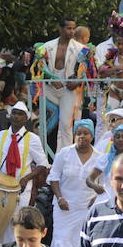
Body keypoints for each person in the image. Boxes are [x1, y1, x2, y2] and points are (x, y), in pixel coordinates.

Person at [47, 119, 101, 247]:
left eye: (86, 133)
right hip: (64, 205)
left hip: (85, 207)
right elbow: (53, 177)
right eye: (78, 133)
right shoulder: (64, 153)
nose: (81, 136)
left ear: (92, 136)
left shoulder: (99, 157)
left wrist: (97, 197)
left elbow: (103, 183)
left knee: (79, 239)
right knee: (61, 238)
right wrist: (59, 198)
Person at [35, 18, 87, 151]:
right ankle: (45, 158)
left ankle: (67, 156)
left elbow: (86, 70)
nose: (72, 31)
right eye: (68, 28)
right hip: (49, 89)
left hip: (68, 91)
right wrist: (50, 79)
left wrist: (77, 81)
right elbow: (38, 68)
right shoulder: (47, 47)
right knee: (46, 124)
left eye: (73, 28)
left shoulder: (81, 49)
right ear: (60, 29)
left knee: (66, 125)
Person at [0, 102, 49, 213]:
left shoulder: (33, 139)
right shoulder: (0, 136)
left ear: (26, 118)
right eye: (14, 113)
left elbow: (43, 164)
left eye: (20, 114)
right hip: (2, 186)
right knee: (1, 221)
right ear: (10, 116)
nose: (16, 116)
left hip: (22, 189)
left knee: (17, 221)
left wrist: (26, 179)